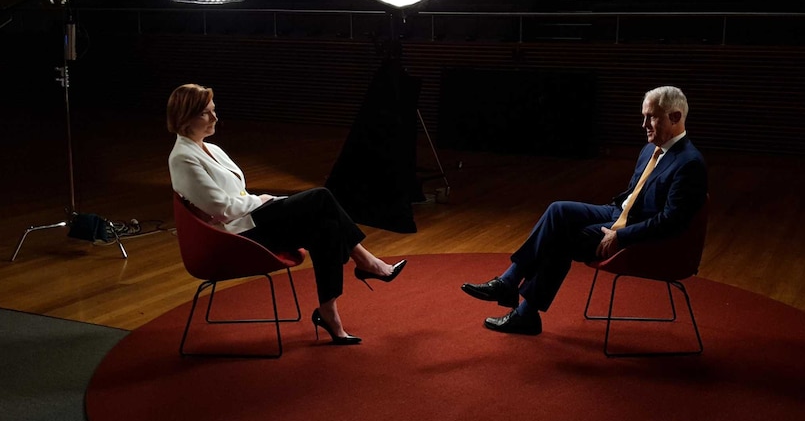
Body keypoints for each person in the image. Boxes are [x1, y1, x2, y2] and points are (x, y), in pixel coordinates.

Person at [167, 84, 406, 345]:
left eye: (214, 111)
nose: (214, 118)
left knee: (326, 227)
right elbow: (221, 208)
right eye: (206, 113)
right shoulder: (182, 157)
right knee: (321, 197)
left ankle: (330, 313)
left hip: (249, 221)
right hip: (234, 237)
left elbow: (236, 197)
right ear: (185, 118)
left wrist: (263, 201)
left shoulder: (212, 149)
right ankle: (367, 263)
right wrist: (261, 200)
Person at [461, 86, 707, 335]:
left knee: (561, 239)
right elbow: (635, 194)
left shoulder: (689, 163)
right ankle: (509, 282)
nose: (643, 124)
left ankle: (524, 312)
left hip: (634, 233)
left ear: (675, 117)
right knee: (559, 210)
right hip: (617, 213)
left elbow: (672, 221)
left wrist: (621, 236)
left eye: (651, 116)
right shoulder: (649, 149)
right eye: (643, 116)